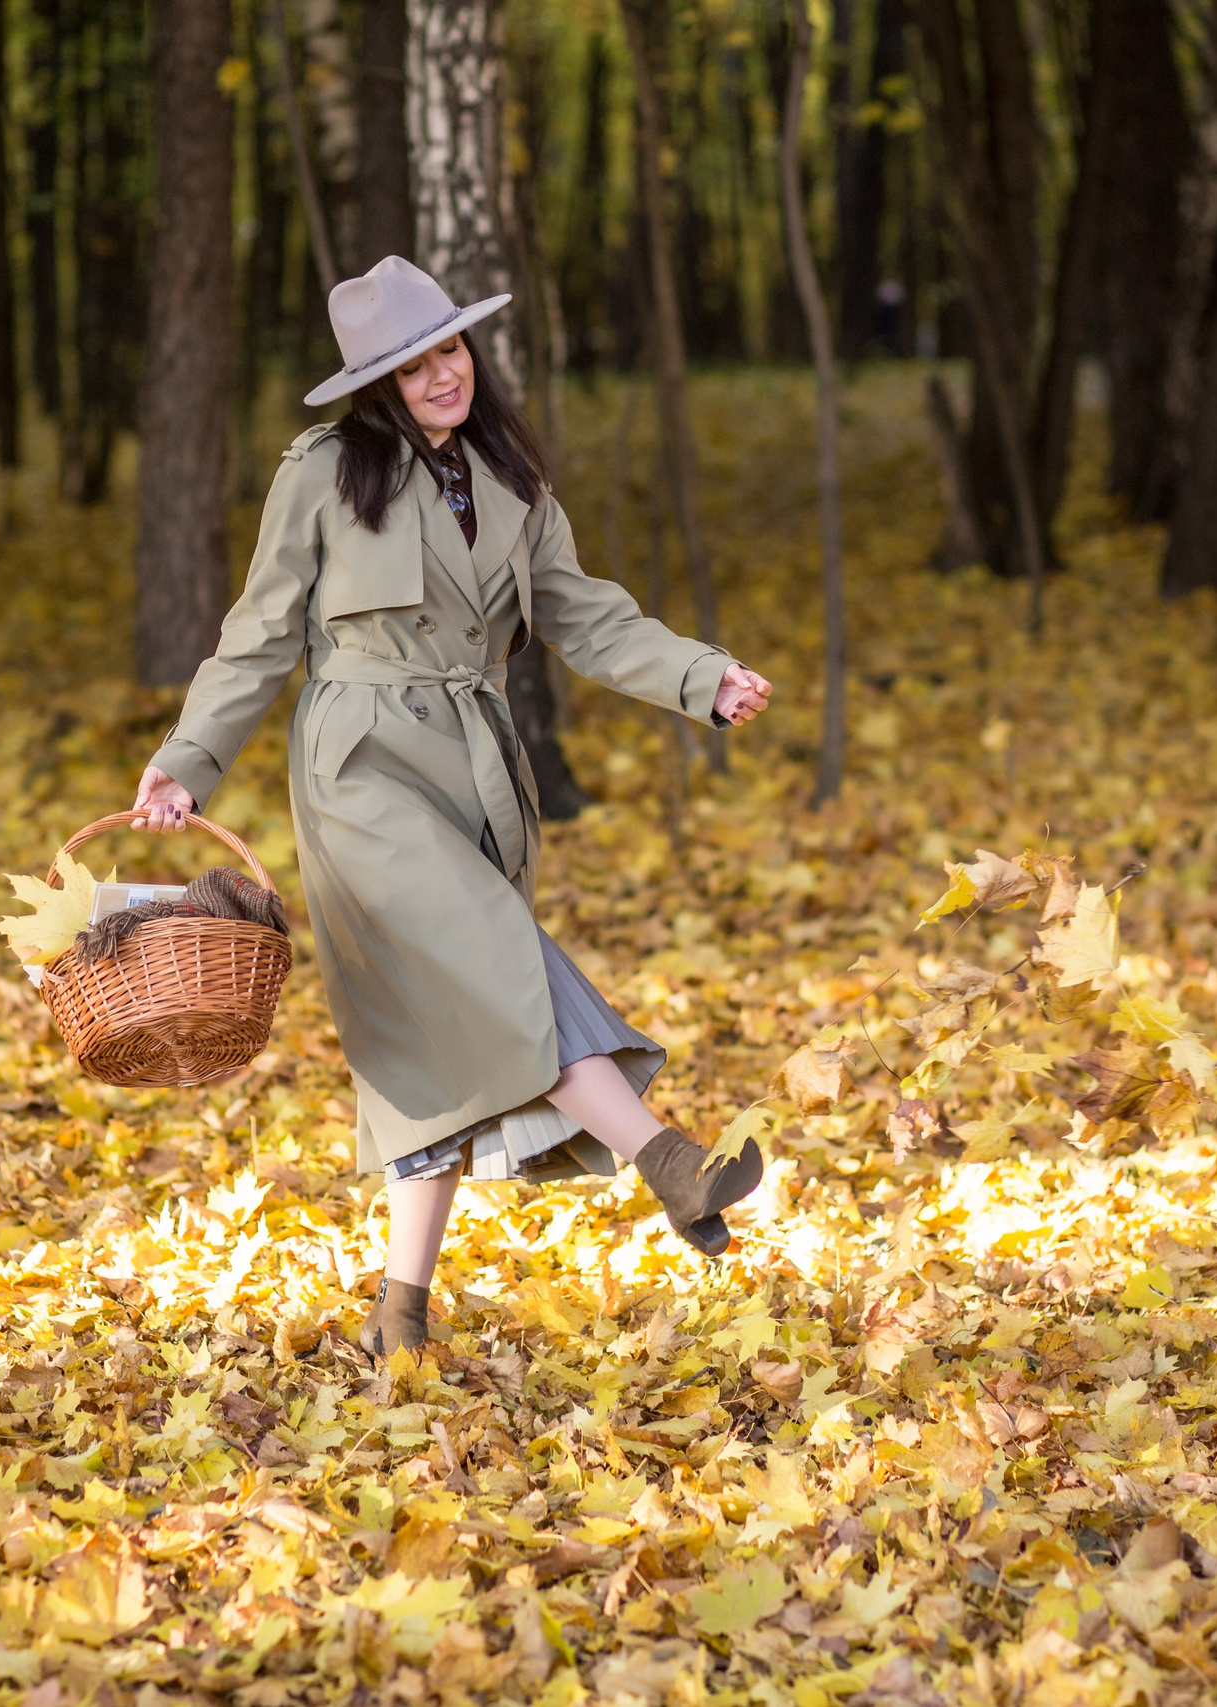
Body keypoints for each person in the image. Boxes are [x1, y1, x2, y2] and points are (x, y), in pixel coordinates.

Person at [131, 256, 775, 1358]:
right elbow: (258, 633)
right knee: (501, 962)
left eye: (452, 348)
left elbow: (586, 615)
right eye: (416, 362)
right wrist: (191, 757)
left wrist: (698, 677)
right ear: (375, 383)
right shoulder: (323, 475)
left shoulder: (511, 479)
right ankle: (670, 1161)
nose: (444, 374)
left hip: (477, 773)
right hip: (360, 774)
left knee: (427, 1046)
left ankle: (400, 1314)